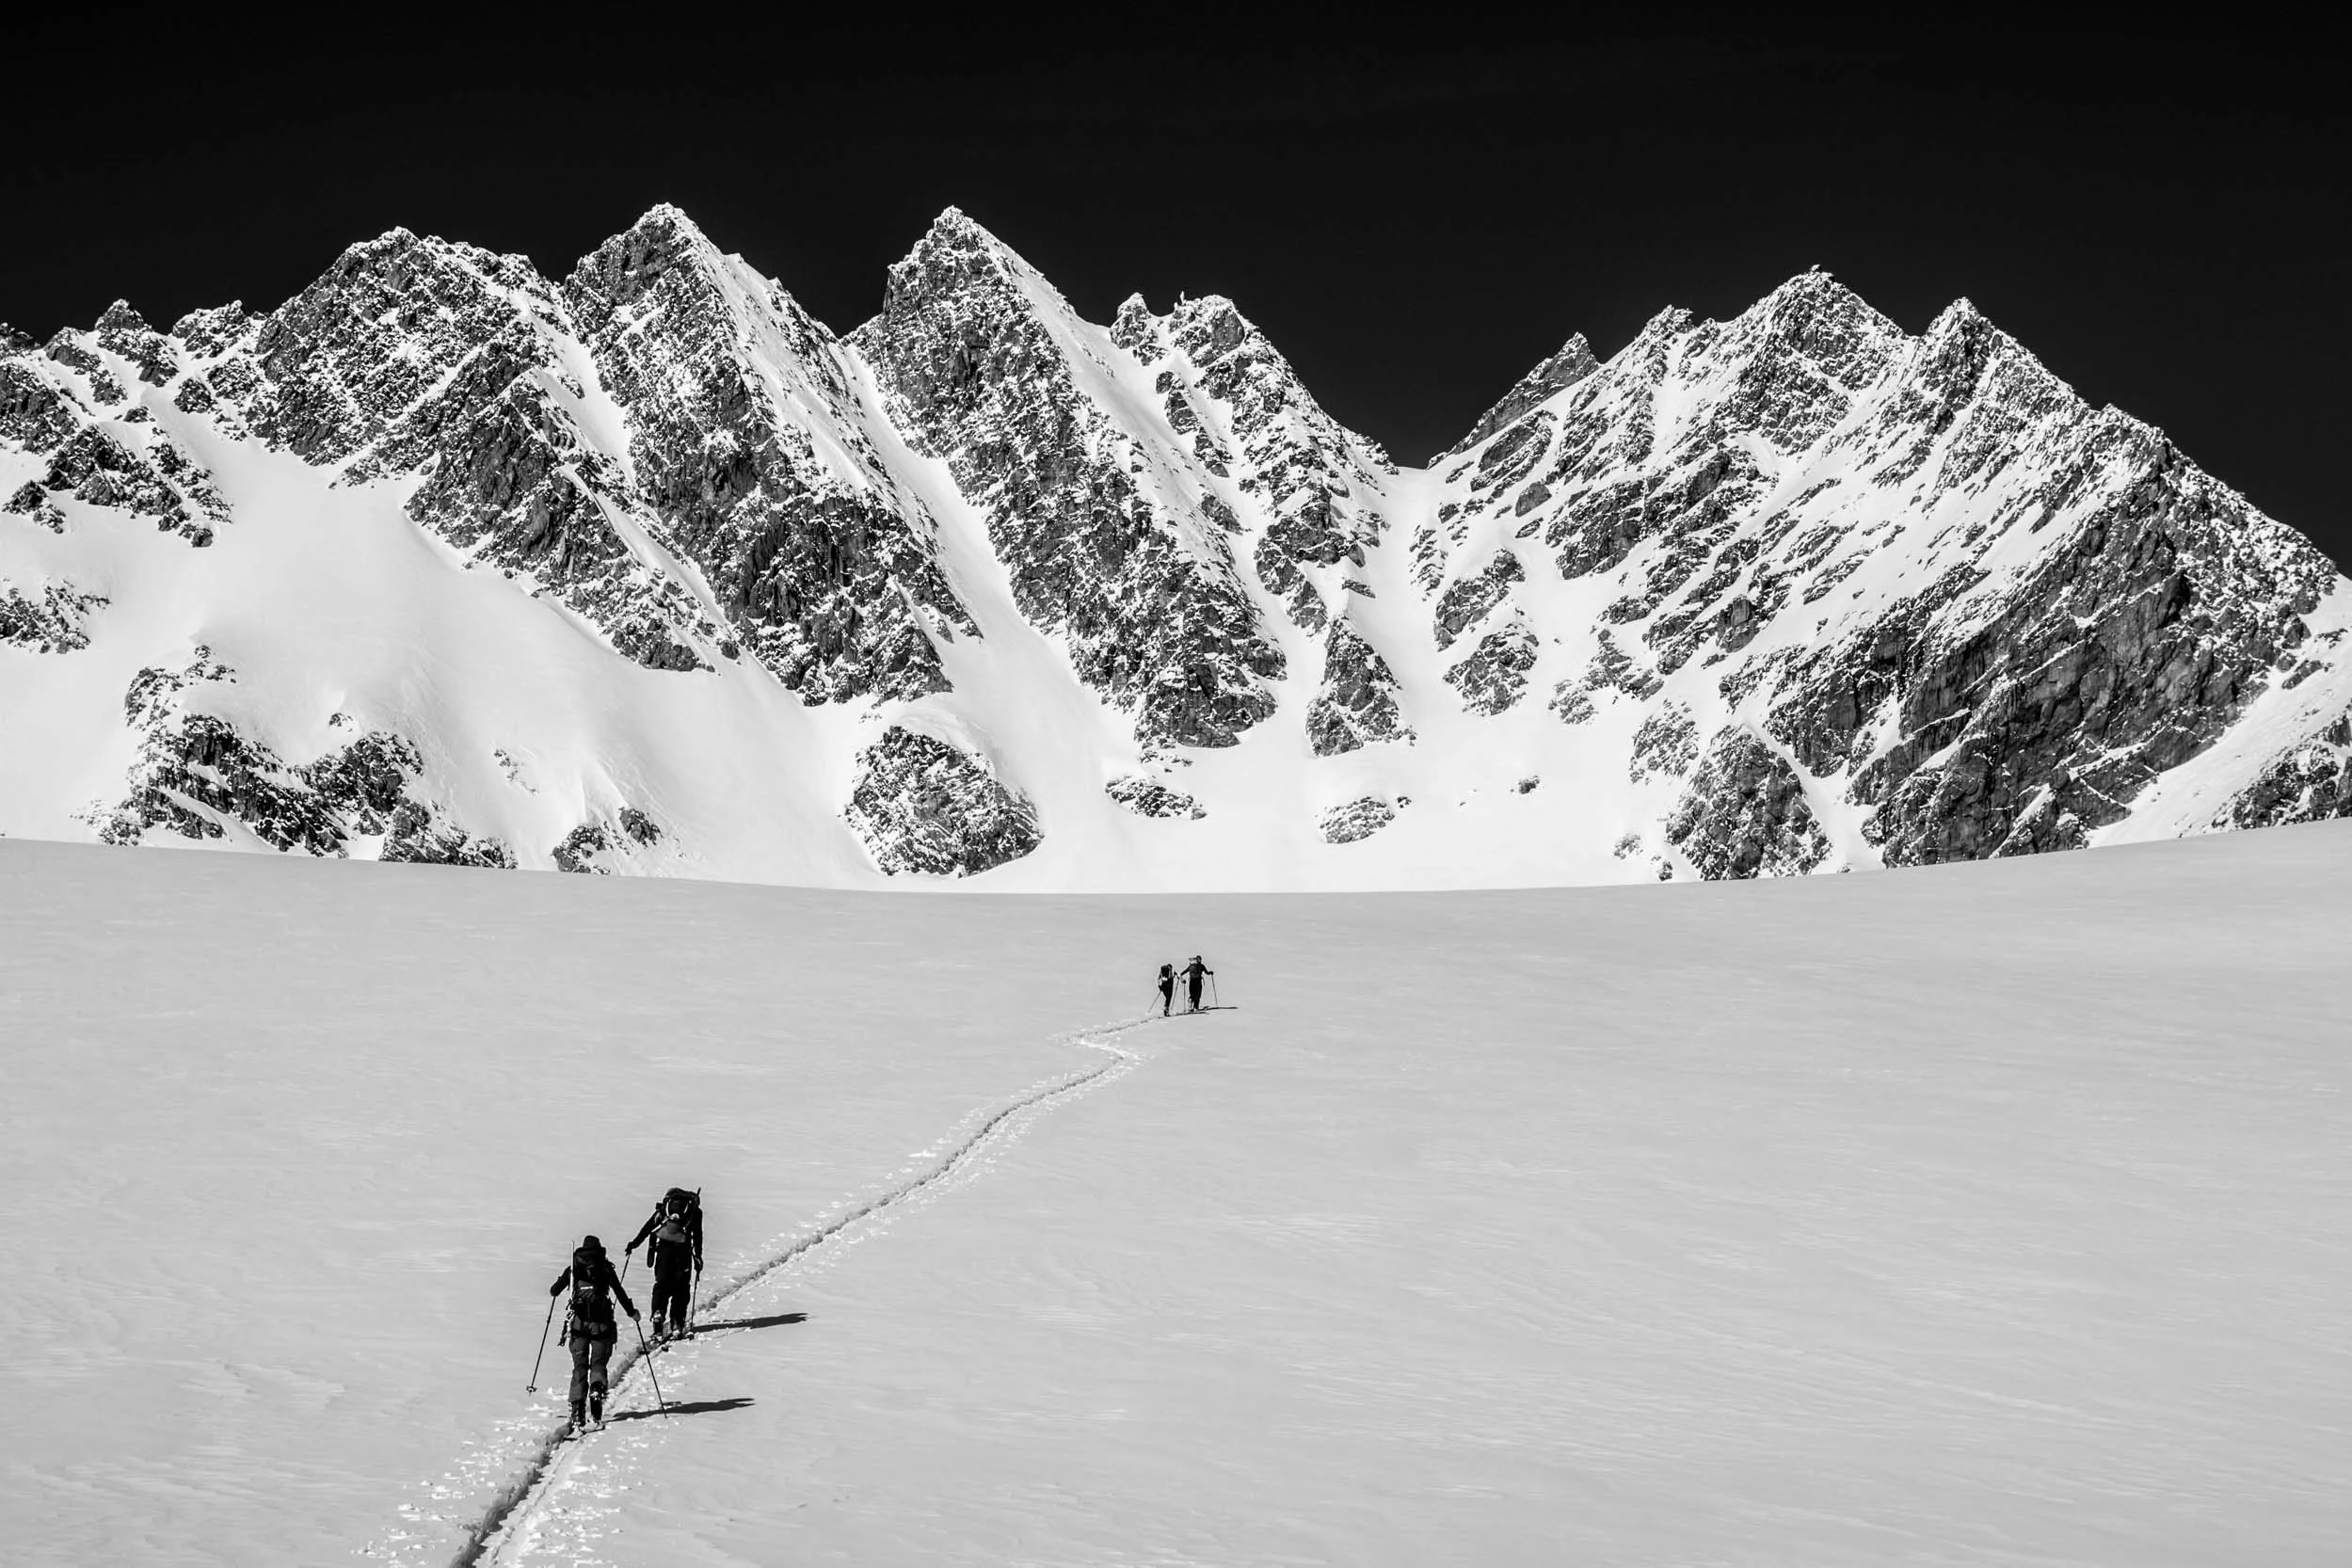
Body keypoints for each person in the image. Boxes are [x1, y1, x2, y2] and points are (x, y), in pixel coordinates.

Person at [550, 1234, 638, 1432]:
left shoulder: (574, 1268)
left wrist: (565, 1281)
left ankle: (577, 1410)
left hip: (579, 1325)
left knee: (579, 1366)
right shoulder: (606, 1268)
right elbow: (619, 1292)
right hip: (602, 1324)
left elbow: (554, 1291)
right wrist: (632, 1312)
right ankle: (596, 1390)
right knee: (598, 1363)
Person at [627, 1188, 703, 1343]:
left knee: (661, 1285)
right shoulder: (694, 1212)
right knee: (681, 1288)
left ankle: (658, 1313)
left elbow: (648, 1227)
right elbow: (698, 1235)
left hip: (663, 1253)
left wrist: (634, 1244)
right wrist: (698, 1256)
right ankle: (677, 1322)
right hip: (683, 1254)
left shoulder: (664, 1209)